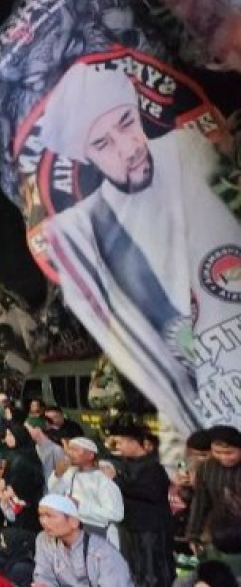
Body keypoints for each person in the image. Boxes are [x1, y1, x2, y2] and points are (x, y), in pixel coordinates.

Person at [38, 61, 241, 432]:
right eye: (103, 143)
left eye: (127, 123)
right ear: (86, 157)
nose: (128, 148)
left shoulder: (190, 152)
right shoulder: (88, 234)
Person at [105, 419, 173, 587]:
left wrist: (116, 480)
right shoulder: (126, 463)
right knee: (134, 570)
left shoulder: (154, 465)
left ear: (136, 443)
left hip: (151, 529)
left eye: (120, 442)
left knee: (152, 572)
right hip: (130, 526)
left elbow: (150, 492)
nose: (117, 446)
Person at [31, 495, 132, 587]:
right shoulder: (43, 540)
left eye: (49, 516)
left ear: (73, 521)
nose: (43, 522)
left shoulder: (103, 552)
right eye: (41, 515)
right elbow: (43, 576)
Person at [46, 438, 124, 547]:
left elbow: (116, 514)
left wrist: (80, 506)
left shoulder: (103, 479)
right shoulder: (70, 473)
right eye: (69, 450)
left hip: (98, 535)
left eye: (75, 450)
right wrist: (58, 474)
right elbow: (53, 492)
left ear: (90, 455)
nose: (70, 453)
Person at [186, 425, 241, 574]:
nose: (224, 457)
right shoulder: (206, 469)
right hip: (216, 535)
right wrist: (193, 534)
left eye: (230, 453)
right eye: (218, 452)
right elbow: (200, 502)